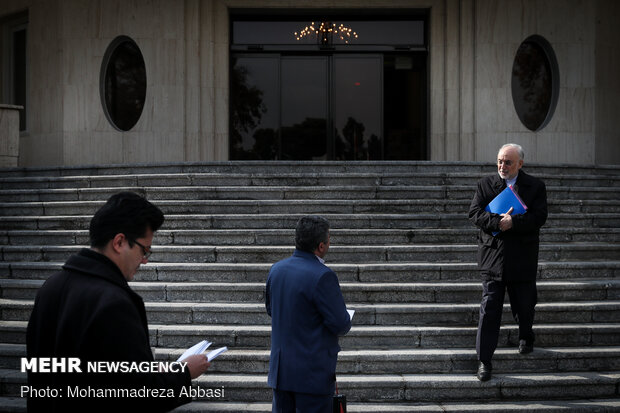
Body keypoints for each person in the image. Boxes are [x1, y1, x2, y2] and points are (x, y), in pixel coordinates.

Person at [26, 192, 210, 412]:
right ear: (119, 242)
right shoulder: (114, 303)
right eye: (144, 250)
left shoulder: (50, 287)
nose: (145, 260)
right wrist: (185, 372)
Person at [468, 143, 548, 382]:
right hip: (493, 258)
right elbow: (474, 213)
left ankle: (526, 335)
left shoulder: (535, 187)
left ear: (520, 164)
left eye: (508, 162)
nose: (502, 166)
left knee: (524, 306)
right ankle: (484, 361)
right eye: (500, 161)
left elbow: (539, 216)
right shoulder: (485, 185)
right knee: (489, 310)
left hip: (522, 258)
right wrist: (496, 222)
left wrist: (514, 222)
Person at [266, 215, 352, 413]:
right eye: (329, 239)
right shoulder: (323, 275)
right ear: (321, 246)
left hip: (281, 374)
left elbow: (271, 310)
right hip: (312, 376)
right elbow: (340, 323)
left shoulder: (276, 270)